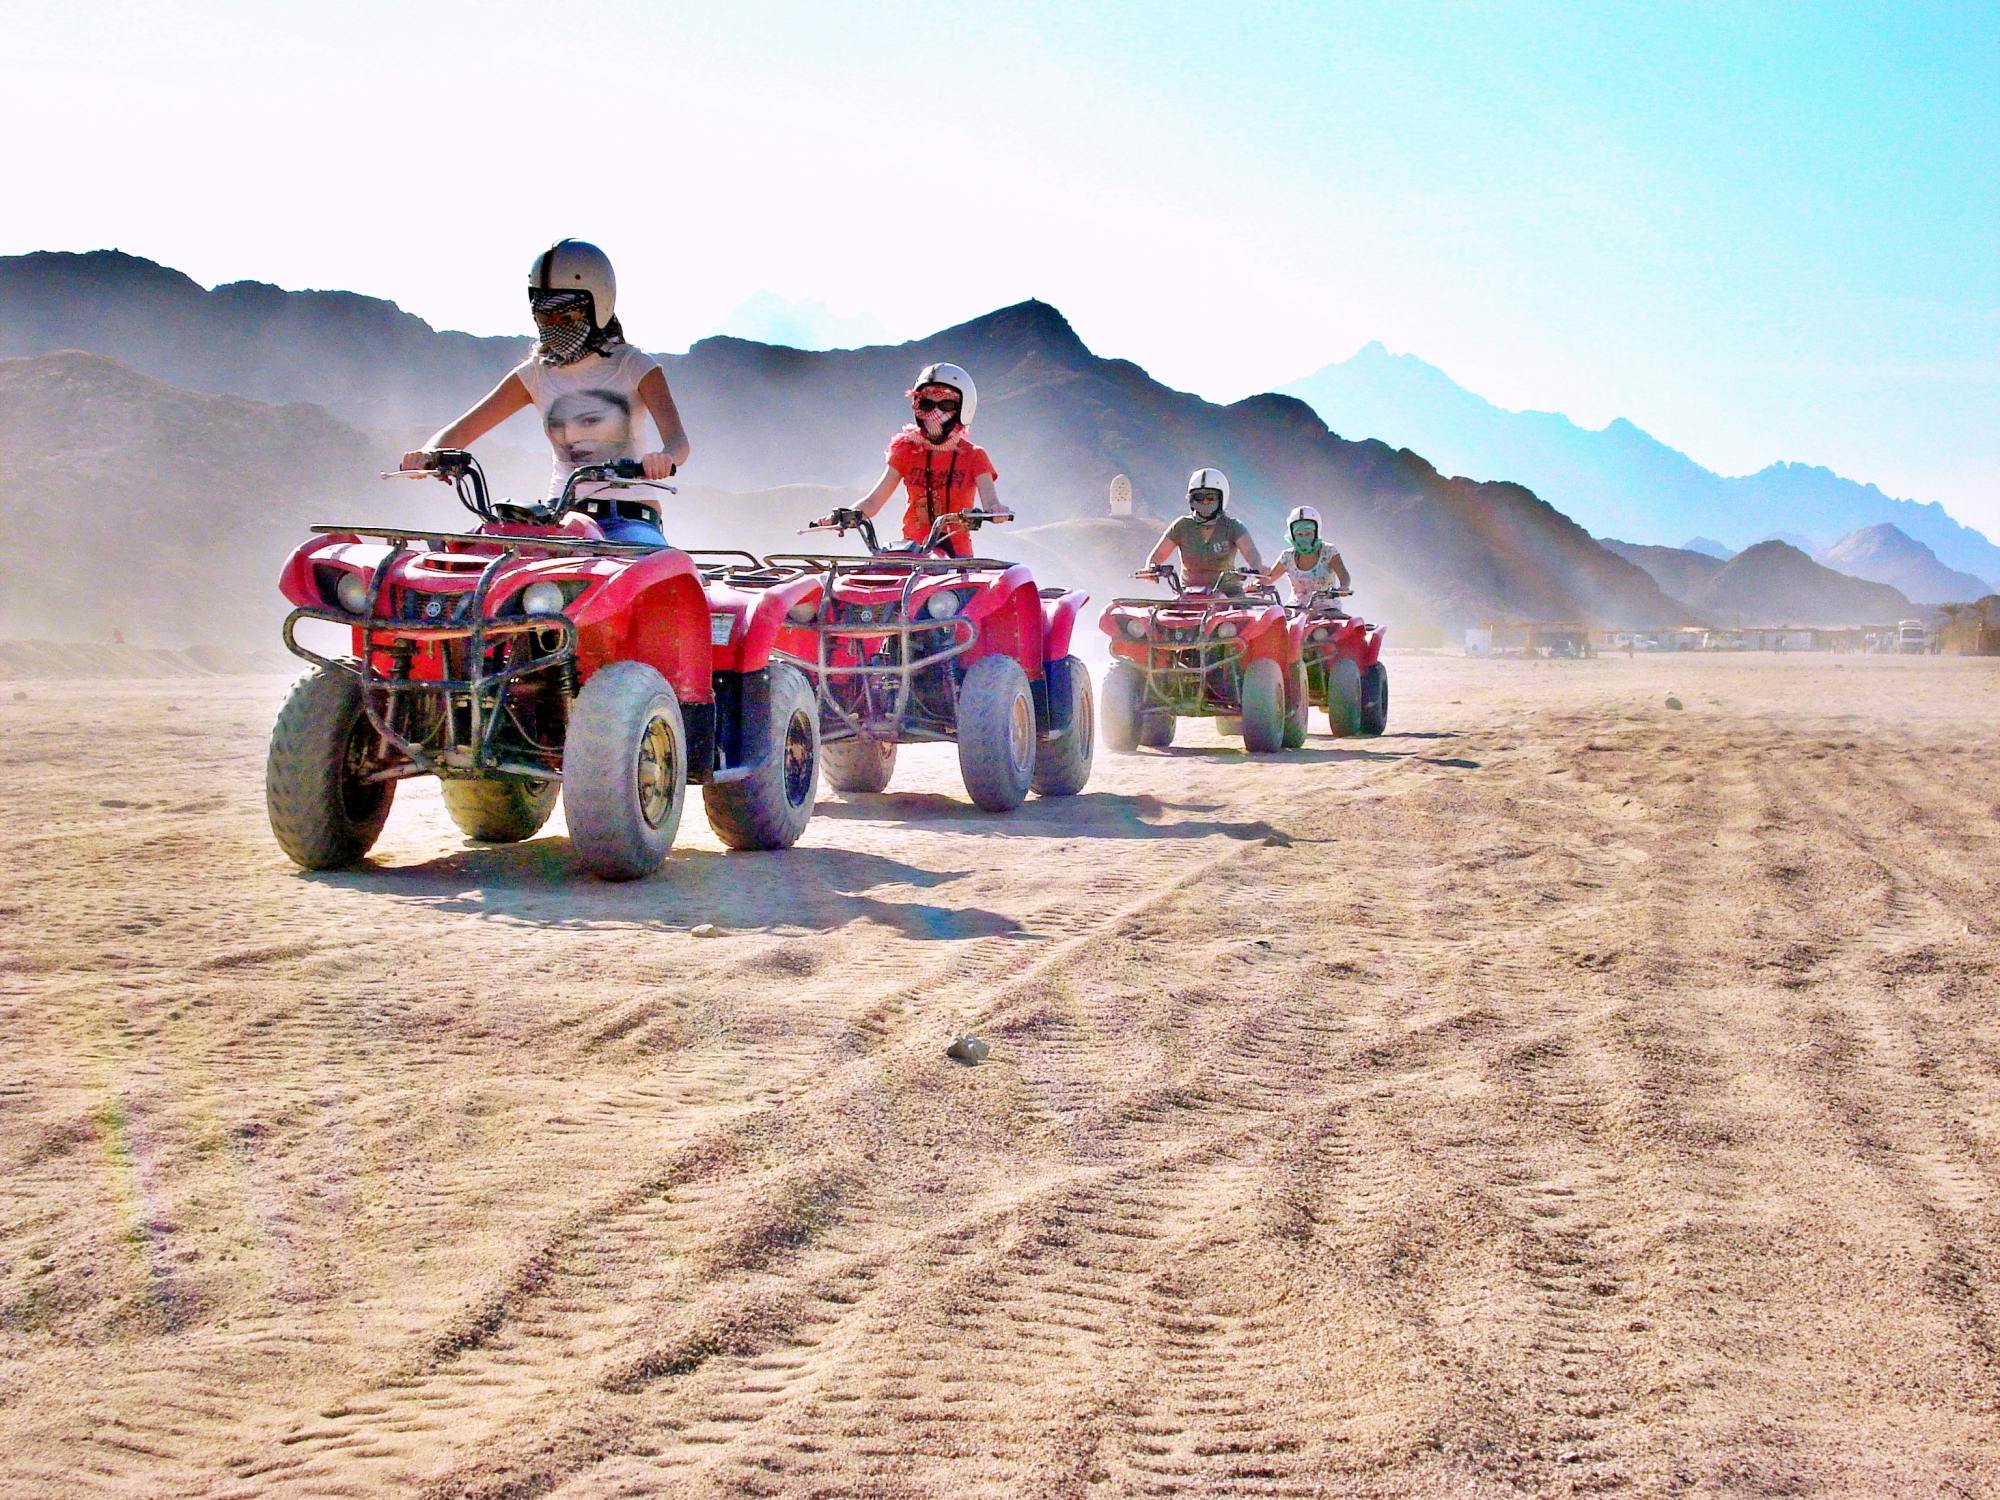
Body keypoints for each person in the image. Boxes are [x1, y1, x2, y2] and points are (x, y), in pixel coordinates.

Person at [398, 240, 690, 544]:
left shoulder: (634, 365)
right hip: (559, 518)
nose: (554, 327)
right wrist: (429, 456)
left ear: (597, 305)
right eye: (544, 317)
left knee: (646, 568)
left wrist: (663, 458)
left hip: (628, 517)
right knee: (468, 553)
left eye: (565, 318)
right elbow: (461, 430)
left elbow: (679, 443)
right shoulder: (536, 373)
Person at [819, 363, 1006, 557]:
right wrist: (843, 516)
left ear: (963, 408)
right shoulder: (907, 450)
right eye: (926, 404)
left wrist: (995, 511)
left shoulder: (975, 456)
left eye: (945, 405)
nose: (935, 413)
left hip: (956, 557)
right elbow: (874, 501)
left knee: (953, 589)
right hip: (911, 552)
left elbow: (991, 503)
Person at [1145, 468, 1264, 589]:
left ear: (1221, 499)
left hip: (1229, 595)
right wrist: (1151, 567)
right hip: (1187, 594)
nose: (1205, 502)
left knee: (1243, 607)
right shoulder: (1181, 525)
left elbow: (1250, 551)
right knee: (1164, 608)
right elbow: (1160, 552)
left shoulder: (1233, 526)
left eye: (1211, 497)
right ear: (1191, 499)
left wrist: (1258, 567)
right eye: (1199, 497)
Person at [1261, 504, 1350, 604]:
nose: (1304, 539)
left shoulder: (1329, 551)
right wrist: (1254, 585)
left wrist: (1344, 586)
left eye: (1308, 533)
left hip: (1327, 611)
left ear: (1316, 532)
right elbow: (1268, 578)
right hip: (1295, 610)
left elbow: (1343, 574)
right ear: (1292, 536)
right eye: (1299, 534)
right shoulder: (1287, 556)